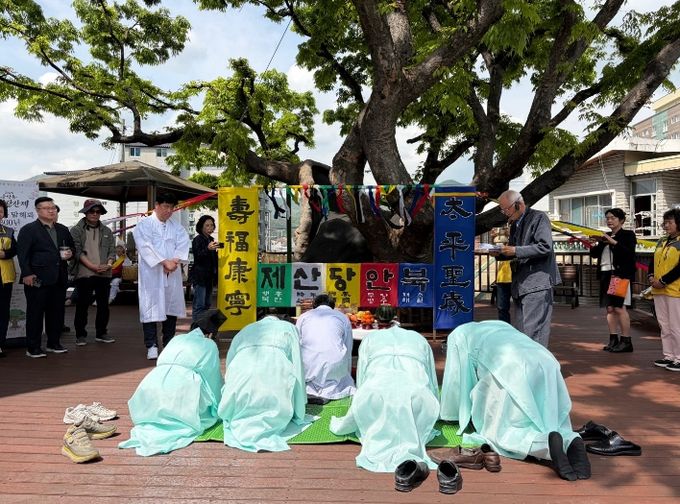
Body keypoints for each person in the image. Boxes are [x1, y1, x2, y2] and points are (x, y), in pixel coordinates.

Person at [440, 320, 590, 481]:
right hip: (544, 359)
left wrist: (450, 414)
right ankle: (570, 439)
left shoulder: (457, 335)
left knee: (505, 431)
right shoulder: (498, 324)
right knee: (549, 418)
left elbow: (456, 381)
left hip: (509, 366)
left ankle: (545, 444)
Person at [329, 326, 440, 473]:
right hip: (417, 398)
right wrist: (435, 408)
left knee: (371, 399)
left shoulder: (369, 339)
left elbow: (362, 377)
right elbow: (431, 380)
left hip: (374, 395)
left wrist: (361, 398)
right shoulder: (420, 339)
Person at [118, 328, 223, 456]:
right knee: (203, 397)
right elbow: (212, 378)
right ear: (210, 334)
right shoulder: (209, 344)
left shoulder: (177, 339)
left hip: (153, 383)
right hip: (185, 387)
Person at [218, 315, 310, 452]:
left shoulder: (246, 329)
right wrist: (299, 407)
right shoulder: (289, 328)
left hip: (240, 372)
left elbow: (230, 360)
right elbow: (297, 364)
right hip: (275, 371)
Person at [492, 190, 560, 347]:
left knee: (533, 333)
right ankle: (528, 362)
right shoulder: (515, 224)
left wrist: (514, 250)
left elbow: (545, 247)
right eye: (502, 210)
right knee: (522, 332)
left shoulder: (538, 217)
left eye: (506, 209)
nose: (505, 213)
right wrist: (498, 253)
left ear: (518, 204)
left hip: (537, 282)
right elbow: (513, 251)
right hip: (521, 284)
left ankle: (536, 363)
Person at [132, 192, 190, 360]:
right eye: (166, 206)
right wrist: (164, 262)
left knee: (170, 307)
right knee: (150, 307)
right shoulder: (144, 225)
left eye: (172, 207)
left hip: (172, 272)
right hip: (152, 273)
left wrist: (174, 261)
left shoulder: (177, 226)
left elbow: (183, 244)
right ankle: (151, 344)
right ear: (156, 206)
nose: (169, 210)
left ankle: (168, 343)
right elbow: (145, 246)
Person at [17, 197, 75, 358]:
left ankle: (53, 343)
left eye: (53, 207)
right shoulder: (28, 229)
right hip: (36, 278)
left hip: (59, 277)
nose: (51, 210)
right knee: (35, 312)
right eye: (47, 208)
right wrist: (27, 273)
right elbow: (22, 254)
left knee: (56, 312)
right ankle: (33, 347)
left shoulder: (63, 229)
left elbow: (72, 248)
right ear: (38, 210)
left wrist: (70, 253)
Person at [588, 208, 637, 352]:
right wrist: (593, 244)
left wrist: (612, 242)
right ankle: (613, 339)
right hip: (606, 274)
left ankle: (626, 341)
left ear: (621, 220)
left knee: (619, 308)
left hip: (619, 274)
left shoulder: (628, 235)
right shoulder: (606, 236)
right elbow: (595, 255)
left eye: (613, 218)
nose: (609, 220)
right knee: (609, 308)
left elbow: (629, 254)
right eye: (607, 218)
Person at [70, 199, 117, 345]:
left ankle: (101, 333)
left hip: (104, 273)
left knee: (103, 305)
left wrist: (108, 265)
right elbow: (76, 252)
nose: (95, 214)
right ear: (85, 212)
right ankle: (80, 335)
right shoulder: (76, 230)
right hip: (84, 273)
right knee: (82, 304)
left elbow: (112, 251)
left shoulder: (107, 230)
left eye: (98, 211)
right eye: (91, 211)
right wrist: (93, 266)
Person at [295, 293, 356, 403]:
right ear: (332, 306)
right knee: (340, 377)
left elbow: (297, 343)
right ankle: (327, 391)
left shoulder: (304, 317)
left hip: (308, 368)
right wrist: (345, 371)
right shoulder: (342, 317)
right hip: (335, 367)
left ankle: (312, 390)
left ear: (314, 305)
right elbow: (348, 346)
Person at [649, 208, 680, 371]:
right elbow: (652, 261)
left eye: (670, 222)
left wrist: (663, 281)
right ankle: (669, 356)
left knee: (676, 325)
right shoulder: (661, 241)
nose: (666, 225)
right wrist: (651, 277)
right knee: (664, 325)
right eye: (665, 222)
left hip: (675, 290)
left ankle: (679, 358)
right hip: (658, 290)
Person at [190, 215, 218, 324]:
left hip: (209, 277)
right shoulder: (198, 239)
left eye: (212, 225)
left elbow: (213, 259)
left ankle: (203, 327)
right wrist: (208, 248)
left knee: (207, 304)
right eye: (207, 225)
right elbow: (198, 256)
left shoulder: (211, 240)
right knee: (199, 304)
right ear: (201, 227)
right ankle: (196, 328)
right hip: (200, 277)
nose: (210, 228)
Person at [0, 199, 17, 358]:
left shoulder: (9, 231)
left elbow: (15, 250)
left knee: (3, 312)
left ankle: (0, 344)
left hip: (5, 277)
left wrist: (4, 254)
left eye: (0, 211)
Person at [491, 226, 512, 323]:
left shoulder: (516, 241)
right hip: (502, 279)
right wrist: (493, 238)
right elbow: (495, 251)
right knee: (502, 308)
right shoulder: (501, 242)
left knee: (520, 307)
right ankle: (505, 327)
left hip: (516, 277)